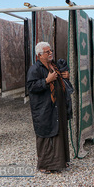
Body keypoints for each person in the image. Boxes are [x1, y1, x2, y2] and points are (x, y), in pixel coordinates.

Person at [27, 42, 70, 174]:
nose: (51, 53)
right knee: (46, 134)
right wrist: (46, 80)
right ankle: (44, 165)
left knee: (58, 132)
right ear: (40, 55)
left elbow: (61, 81)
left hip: (57, 106)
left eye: (50, 50)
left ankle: (59, 162)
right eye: (47, 52)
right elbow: (31, 87)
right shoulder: (35, 69)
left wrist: (65, 77)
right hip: (44, 107)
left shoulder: (53, 65)